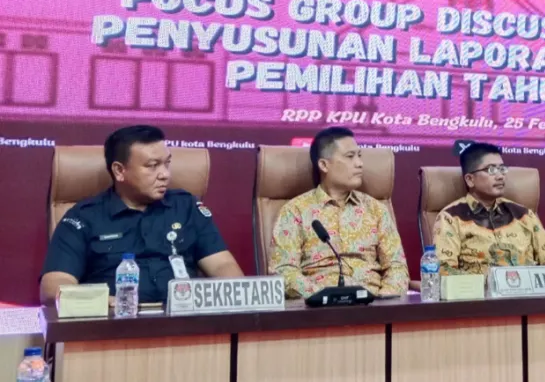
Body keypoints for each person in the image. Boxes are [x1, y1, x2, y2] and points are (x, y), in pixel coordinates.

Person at [40, 125, 243, 305]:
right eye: (152, 166)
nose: (165, 174)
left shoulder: (186, 206)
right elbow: (54, 286)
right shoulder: (84, 217)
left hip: (184, 320)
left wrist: (235, 296)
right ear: (119, 171)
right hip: (114, 323)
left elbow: (222, 265)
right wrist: (102, 302)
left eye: (167, 163)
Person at [269, 127, 409, 298]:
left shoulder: (376, 209)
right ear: (324, 165)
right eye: (350, 156)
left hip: (372, 304)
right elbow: (284, 271)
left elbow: (397, 267)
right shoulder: (296, 210)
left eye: (359, 156)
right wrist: (326, 297)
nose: (359, 163)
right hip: (318, 307)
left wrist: (382, 300)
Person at [433, 142, 545, 275]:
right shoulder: (451, 218)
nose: (500, 176)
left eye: (502, 169)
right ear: (470, 179)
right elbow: (444, 270)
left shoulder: (524, 215)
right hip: (480, 288)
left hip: (528, 287)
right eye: (491, 170)